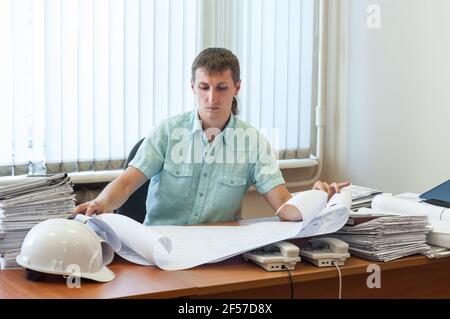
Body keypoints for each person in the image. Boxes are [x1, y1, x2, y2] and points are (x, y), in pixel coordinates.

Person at [73, 48, 349, 225]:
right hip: (159, 246)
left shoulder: (252, 142)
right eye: (204, 87)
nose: (212, 98)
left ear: (237, 87)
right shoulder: (168, 132)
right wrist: (100, 203)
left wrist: (316, 201)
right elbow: (125, 185)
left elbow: (285, 207)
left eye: (221, 88)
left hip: (219, 251)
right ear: (192, 86)